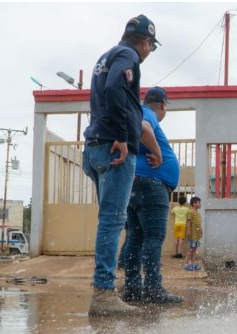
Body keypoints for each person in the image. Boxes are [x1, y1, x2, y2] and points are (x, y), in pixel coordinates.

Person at [82, 14, 160, 316]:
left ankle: (103, 291)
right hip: (113, 148)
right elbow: (116, 89)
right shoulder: (128, 56)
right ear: (146, 42)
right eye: (151, 46)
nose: (149, 52)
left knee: (109, 222)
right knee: (113, 222)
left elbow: (106, 96)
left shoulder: (106, 56)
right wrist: (121, 136)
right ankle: (103, 294)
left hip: (95, 146)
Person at [121, 86, 183, 305]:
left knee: (135, 238)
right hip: (151, 186)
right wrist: (158, 154)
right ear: (163, 104)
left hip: (135, 184)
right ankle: (153, 288)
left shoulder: (132, 114)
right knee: (153, 238)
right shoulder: (146, 113)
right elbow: (143, 126)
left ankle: (132, 288)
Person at [185, 196, 203, 271]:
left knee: (195, 249)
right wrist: (188, 231)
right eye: (198, 202)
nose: (200, 204)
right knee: (191, 249)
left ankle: (193, 264)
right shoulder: (190, 212)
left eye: (199, 202)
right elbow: (188, 222)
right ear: (194, 203)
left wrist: (201, 231)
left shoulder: (197, 213)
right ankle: (188, 264)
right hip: (192, 234)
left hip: (197, 235)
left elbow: (199, 224)